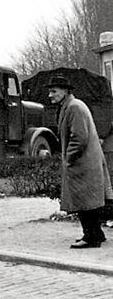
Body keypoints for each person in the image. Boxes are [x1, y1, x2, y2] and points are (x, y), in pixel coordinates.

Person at [47, 75, 113, 249]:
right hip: (85, 162)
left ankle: (91, 238)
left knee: (85, 201)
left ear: (65, 91)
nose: (50, 95)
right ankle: (96, 234)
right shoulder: (71, 105)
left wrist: (69, 158)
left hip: (83, 163)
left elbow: (79, 138)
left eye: (53, 91)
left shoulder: (74, 107)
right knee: (88, 200)